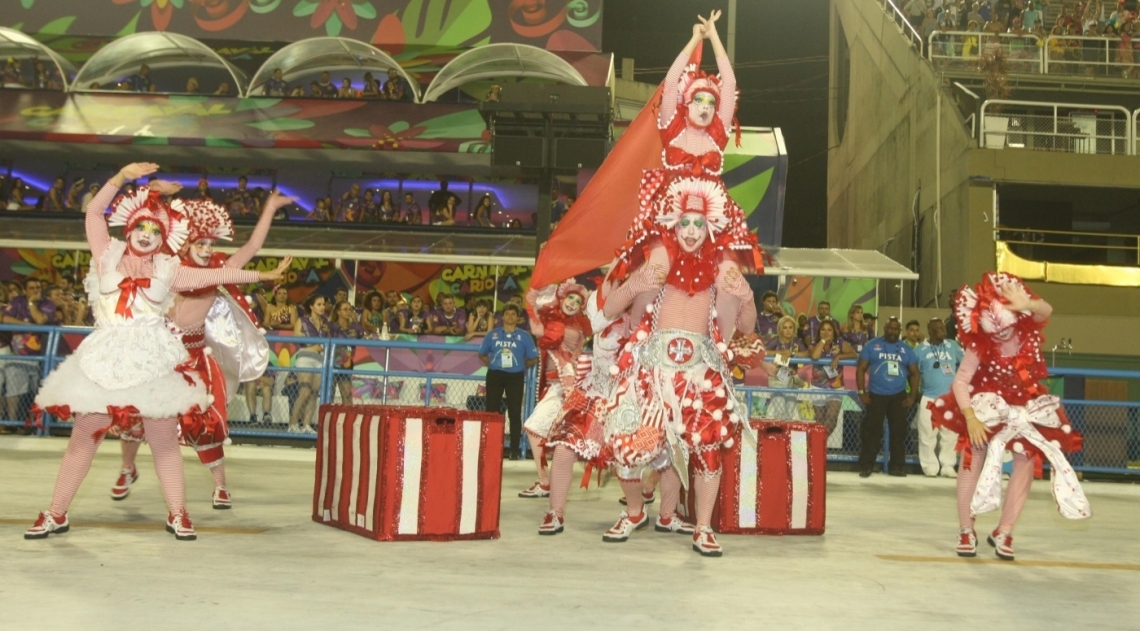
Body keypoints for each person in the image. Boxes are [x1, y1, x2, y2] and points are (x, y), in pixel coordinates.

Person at [25, 163, 286, 541]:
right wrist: (122, 177)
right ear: (128, 230)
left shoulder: (169, 270)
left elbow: (217, 274)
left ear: (163, 238)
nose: (147, 234)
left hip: (152, 360)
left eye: (155, 230)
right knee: (86, 433)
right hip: (105, 359)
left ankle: (178, 513)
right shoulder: (106, 256)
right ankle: (56, 512)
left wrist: (262, 276)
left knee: (162, 438)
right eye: (141, 228)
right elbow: (94, 213)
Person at [597, 11, 764, 557]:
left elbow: (732, 83)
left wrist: (715, 39)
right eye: (699, 99)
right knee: (626, 437)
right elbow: (668, 84)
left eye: (710, 103)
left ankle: (702, 525)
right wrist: (691, 41)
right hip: (659, 232)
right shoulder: (671, 124)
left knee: (707, 446)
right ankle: (635, 511)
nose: (704, 106)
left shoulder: (717, 134)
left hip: (698, 355)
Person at [113, 191, 291, 509]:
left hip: (195, 357)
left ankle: (220, 485)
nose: (208, 250)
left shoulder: (218, 268)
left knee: (206, 422)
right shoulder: (167, 267)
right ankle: (128, 468)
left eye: (211, 245)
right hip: (160, 357)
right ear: (185, 244)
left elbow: (252, 247)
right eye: (201, 244)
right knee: (132, 413)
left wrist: (269, 208)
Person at [928, 273, 1090, 560]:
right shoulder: (980, 344)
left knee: (1025, 458)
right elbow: (961, 381)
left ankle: (1005, 529)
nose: (1001, 334)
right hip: (984, 404)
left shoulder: (1027, 328)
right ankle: (966, 528)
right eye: (994, 330)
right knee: (972, 453)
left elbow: (1047, 311)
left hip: (1024, 404)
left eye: (1005, 327)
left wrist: (1026, 301)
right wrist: (970, 418)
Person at [519, 281, 590, 498]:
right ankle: (546, 481)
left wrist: (533, 299)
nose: (573, 303)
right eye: (570, 298)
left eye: (578, 301)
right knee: (551, 434)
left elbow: (541, 331)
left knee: (534, 428)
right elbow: (539, 329)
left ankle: (545, 482)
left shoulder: (567, 327)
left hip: (564, 388)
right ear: (562, 298)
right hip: (557, 386)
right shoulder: (561, 323)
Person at [855, 317, 920, 478]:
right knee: (871, 432)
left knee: (899, 432)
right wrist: (862, 392)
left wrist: (912, 396)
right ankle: (866, 466)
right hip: (875, 395)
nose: (892, 331)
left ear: (900, 331)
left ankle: (897, 467)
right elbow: (860, 369)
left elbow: (915, 373)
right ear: (885, 329)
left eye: (896, 329)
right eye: (890, 328)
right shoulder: (872, 345)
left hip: (898, 396)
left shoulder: (905, 349)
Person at [479, 303, 539, 460]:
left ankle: (514, 449)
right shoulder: (492, 335)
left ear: (517, 318)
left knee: (514, 413)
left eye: (513, 314)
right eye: (507, 314)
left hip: (515, 377)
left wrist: (523, 365)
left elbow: (534, 357)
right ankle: (489, 447)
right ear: (502, 317)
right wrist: (491, 364)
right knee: (492, 411)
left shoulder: (524, 336)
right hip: (495, 376)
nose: (510, 317)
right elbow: (482, 354)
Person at [2, 277, 60, 422]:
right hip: (18, 355)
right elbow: (6, 320)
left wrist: (31, 303)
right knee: (14, 391)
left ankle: (37, 425)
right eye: (32, 288)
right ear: (24, 290)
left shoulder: (48, 303)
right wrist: (27, 325)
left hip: (43, 357)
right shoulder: (16, 302)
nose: (35, 291)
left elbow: (40, 320)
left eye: (38, 288)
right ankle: (12, 423)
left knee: (38, 392)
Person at [914, 318, 964, 478]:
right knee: (927, 435)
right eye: (939, 329)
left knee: (950, 435)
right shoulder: (919, 350)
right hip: (929, 398)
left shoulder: (953, 346)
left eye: (943, 328)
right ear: (930, 331)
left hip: (950, 399)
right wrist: (915, 393)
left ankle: (948, 465)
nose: (944, 331)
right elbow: (913, 373)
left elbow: (964, 365)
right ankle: (929, 466)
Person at [289, 294, 330, 433]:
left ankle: (306, 425)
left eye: (323, 304)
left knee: (313, 393)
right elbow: (296, 338)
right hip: (305, 357)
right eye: (319, 304)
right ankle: (293, 423)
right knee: (305, 391)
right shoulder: (302, 320)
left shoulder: (326, 322)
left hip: (320, 359)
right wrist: (307, 340)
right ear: (311, 306)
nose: (322, 307)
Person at [809, 319, 856, 435]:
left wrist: (839, 356)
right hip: (817, 387)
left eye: (829, 330)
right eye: (823, 330)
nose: (826, 332)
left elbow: (854, 354)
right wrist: (823, 341)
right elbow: (815, 356)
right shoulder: (814, 344)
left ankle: (820, 446)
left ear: (834, 332)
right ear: (819, 332)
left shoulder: (839, 342)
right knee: (819, 421)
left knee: (831, 420)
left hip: (836, 386)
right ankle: (818, 448)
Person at [330, 299, 366, 405]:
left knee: (347, 394)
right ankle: (326, 419)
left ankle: (347, 420)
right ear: (338, 311)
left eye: (350, 309)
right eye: (345, 309)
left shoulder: (355, 326)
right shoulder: (331, 326)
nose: (348, 312)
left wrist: (358, 337)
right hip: (331, 363)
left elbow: (365, 337)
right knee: (329, 394)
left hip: (347, 364)